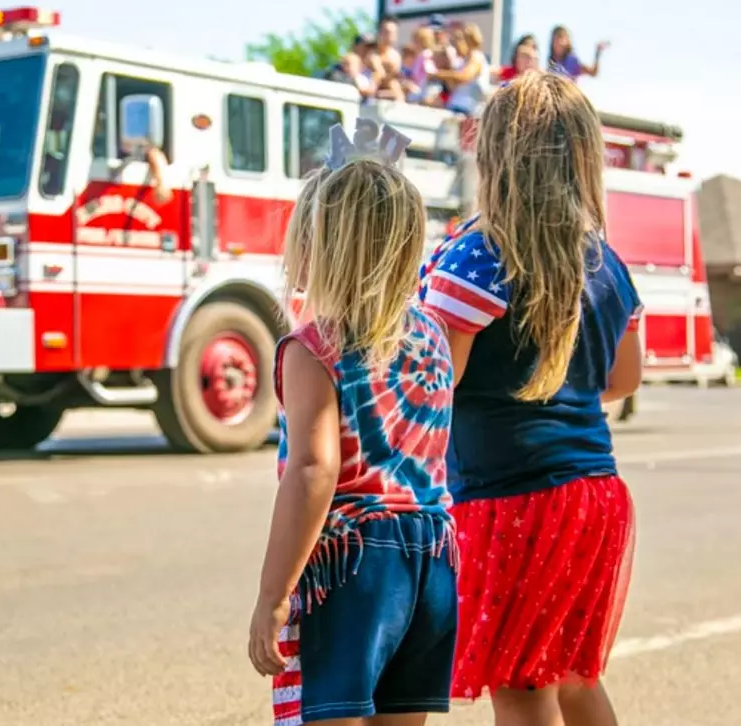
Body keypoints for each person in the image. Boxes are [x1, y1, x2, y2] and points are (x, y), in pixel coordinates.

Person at [419, 72, 641, 726]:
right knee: (574, 675)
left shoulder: (475, 258)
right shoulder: (606, 261)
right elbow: (622, 381)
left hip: (510, 498)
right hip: (594, 495)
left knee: (520, 682)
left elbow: (438, 381)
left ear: (492, 154)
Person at [248, 120, 458, 725]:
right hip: (434, 555)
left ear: (319, 247)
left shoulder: (313, 347)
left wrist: (273, 594)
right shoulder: (432, 337)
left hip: (356, 563)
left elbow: (314, 470)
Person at [429, 23, 490, 115]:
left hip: (468, 109)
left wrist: (439, 74)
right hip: (457, 107)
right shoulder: (464, 60)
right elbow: (452, 86)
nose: (456, 44)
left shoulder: (476, 56)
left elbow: (465, 76)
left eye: (459, 40)